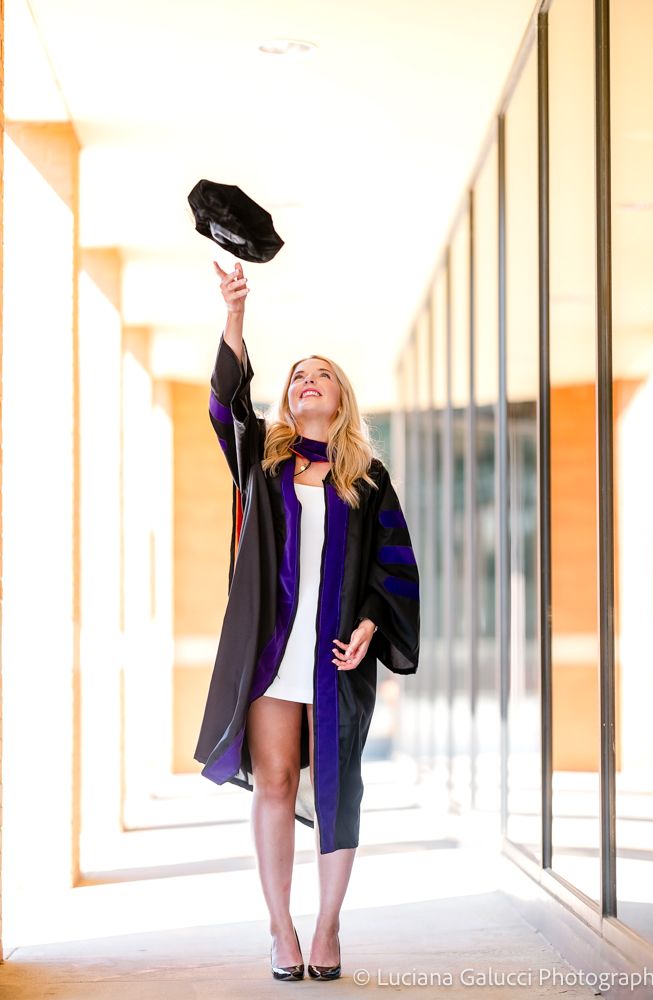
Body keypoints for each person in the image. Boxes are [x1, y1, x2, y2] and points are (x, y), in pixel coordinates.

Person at [194, 259, 420, 982]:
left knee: (338, 785)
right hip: (270, 656)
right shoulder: (261, 460)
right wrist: (234, 317)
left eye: (320, 373)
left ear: (340, 398)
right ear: (288, 401)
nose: (306, 380)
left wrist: (371, 626)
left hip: (334, 658)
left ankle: (327, 928)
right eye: (297, 376)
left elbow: (395, 567)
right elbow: (227, 405)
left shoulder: (367, 480)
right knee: (277, 782)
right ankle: (280, 931)